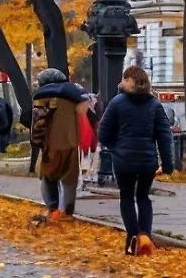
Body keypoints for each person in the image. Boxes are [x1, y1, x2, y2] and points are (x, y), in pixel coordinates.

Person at [97, 65, 174, 256]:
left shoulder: (117, 103)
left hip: (124, 162)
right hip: (148, 161)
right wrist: (168, 163)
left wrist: (116, 148)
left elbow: (103, 133)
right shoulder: (154, 104)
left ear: (128, 81)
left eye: (124, 79)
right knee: (143, 197)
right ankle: (145, 236)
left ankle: (133, 238)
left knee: (127, 197)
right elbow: (164, 135)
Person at [31, 68, 88, 221]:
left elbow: (39, 122)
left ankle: (53, 210)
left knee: (48, 177)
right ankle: (68, 213)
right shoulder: (75, 95)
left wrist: (36, 141)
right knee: (69, 179)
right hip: (72, 143)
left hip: (52, 144)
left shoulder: (42, 97)